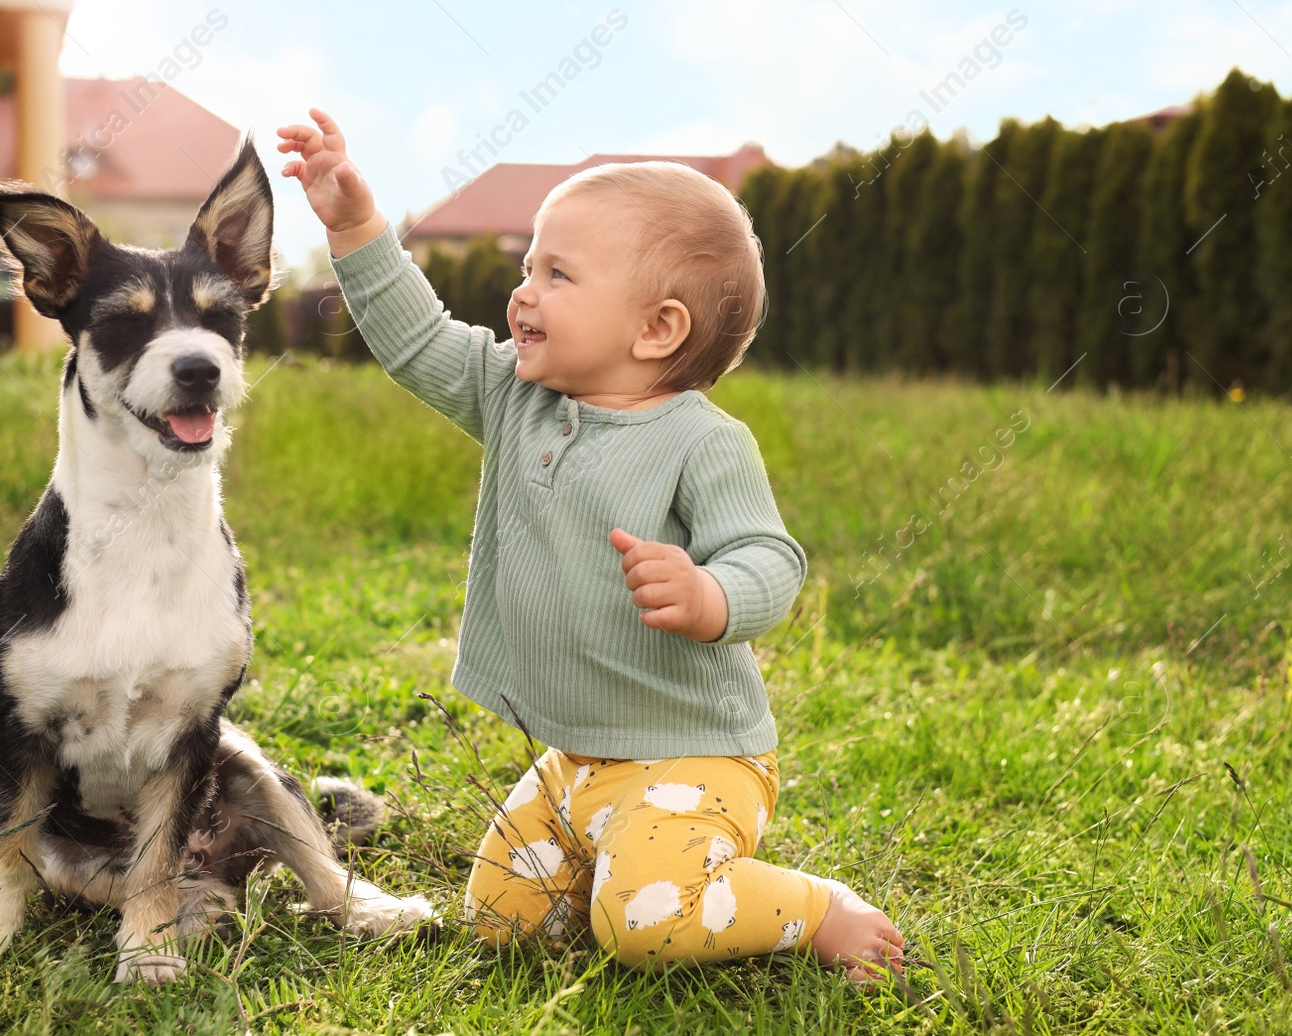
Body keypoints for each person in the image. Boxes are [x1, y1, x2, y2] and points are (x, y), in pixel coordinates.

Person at [276, 108, 904, 979]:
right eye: (528, 266)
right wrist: (353, 225)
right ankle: (622, 853)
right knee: (499, 920)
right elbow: (417, 340)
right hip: (580, 757)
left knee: (642, 925)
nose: (522, 292)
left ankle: (812, 904)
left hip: (696, 753)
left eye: (558, 274)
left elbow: (770, 560)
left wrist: (708, 593)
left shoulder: (703, 441)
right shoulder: (511, 394)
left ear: (657, 330)